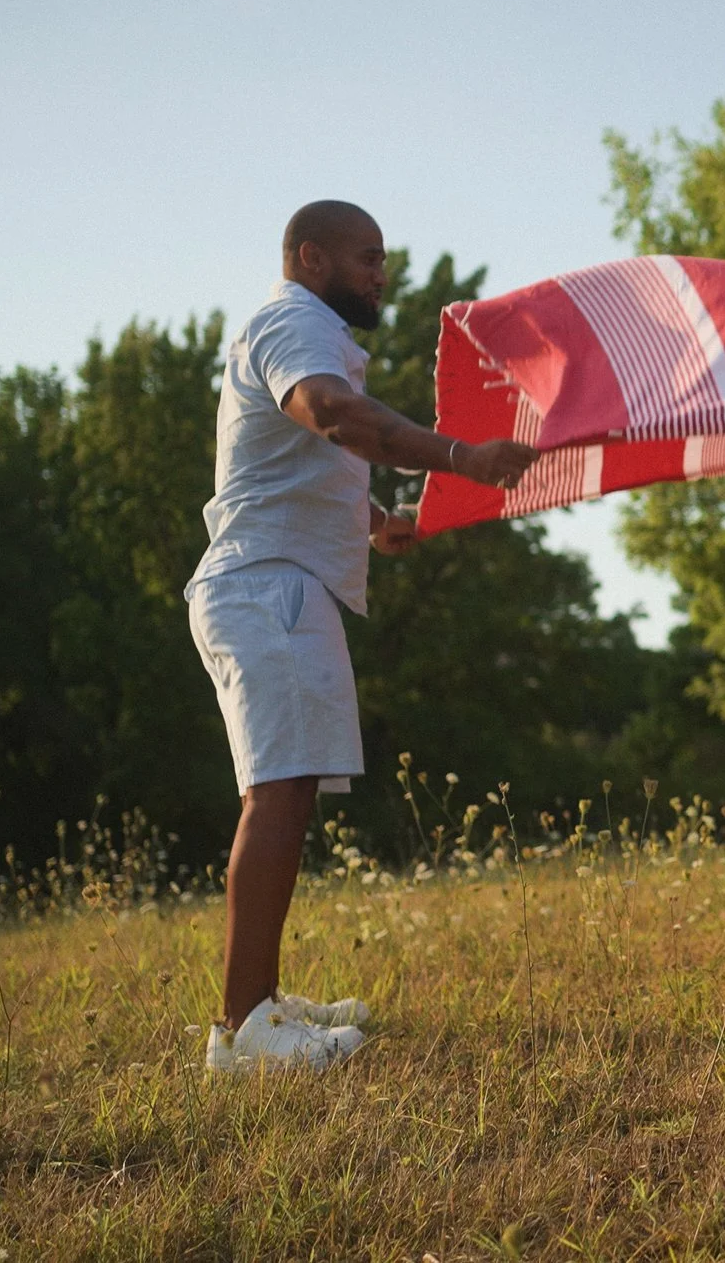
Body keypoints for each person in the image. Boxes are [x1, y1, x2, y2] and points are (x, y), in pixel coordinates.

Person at [185, 200, 537, 1071]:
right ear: (313, 257)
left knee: (290, 794)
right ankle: (246, 1034)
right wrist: (459, 456)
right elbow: (334, 416)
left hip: (282, 584)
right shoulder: (292, 322)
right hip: (267, 591)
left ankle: (257, 1004)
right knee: (275, 795)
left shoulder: (309, 329)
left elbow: (293, 463)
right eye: (369, 258)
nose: (384, 274)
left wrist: (375, 520)